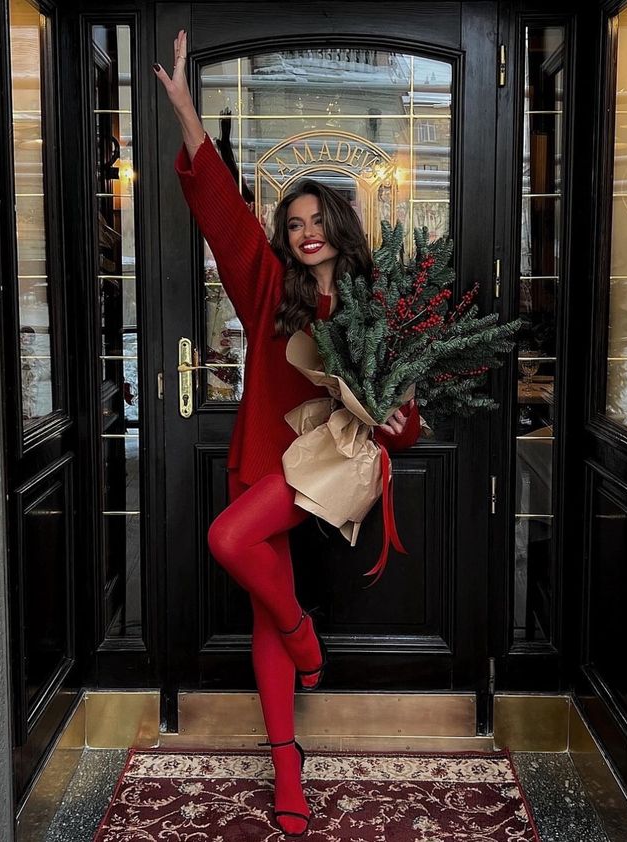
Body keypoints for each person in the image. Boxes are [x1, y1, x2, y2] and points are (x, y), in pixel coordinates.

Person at [154, 30, 421, 837]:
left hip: (320, 476)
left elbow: (397, 422)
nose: (304, 229)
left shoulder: (379, 310)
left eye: (316, 218)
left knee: (229, 540)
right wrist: (187, 120)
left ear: (339, 225)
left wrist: (401, 429)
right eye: (293, 219)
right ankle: (286, 767)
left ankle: (306, 641)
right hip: (259, 461)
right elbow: (225, 219)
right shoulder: (269, 289)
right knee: (269, 608)